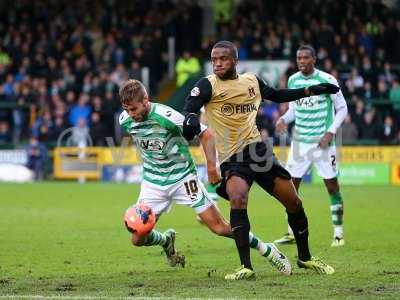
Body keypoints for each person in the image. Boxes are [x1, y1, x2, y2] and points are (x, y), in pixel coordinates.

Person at [182, 41, 338, 280]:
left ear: (235, 60)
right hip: (232, 158)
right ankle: (246, 266)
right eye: (214, 59)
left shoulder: (251, 81)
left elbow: (277, 95)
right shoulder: (207, 85)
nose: (217, 63)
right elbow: (190, 107)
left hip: (258, 152)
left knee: (294, 202)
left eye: (223, 59)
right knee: (237, 197)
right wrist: (190, 119)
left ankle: (305, 258)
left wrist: (312, 90)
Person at [118, 79, 291, 276]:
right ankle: (166, 241)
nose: (131, 114)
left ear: (146, 101)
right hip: (153, 184)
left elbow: (206, 135)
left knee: (219, 228)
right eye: (127, 109)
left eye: (134, 109)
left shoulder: (168, 117)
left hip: (184, 179)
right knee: (138, 238)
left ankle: (267, 250)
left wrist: (211, 167)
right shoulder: (125, 120)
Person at [274, 45, 348, 247]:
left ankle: (338, 234)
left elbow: (342, 108)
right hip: (299, 144)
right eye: (299, 58)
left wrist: (330, 131)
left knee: (332, 186)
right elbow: (294, 109)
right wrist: (283, 119)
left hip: (324, 144)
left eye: (306, 57)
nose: (302, 61)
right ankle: (291, 232)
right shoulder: (293, 80)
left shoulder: (327, 80)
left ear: (314, 59)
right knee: (289, 188)